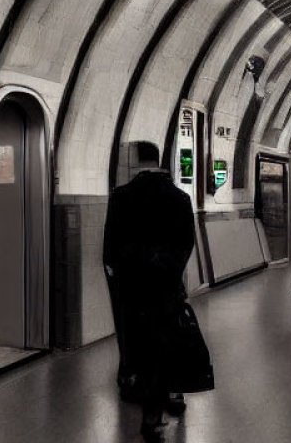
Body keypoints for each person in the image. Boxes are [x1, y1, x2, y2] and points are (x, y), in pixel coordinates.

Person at [103, 143, 198, 441]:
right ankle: (165, 401)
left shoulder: (120, 197)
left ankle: (139, 390)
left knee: (138, 342)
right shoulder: (180, 198)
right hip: (166, 286)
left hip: (132, 288)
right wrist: (169, 269)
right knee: (167, 342)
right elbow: (186, 243)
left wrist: (123, 276)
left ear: (134, 161)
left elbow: (109, 250)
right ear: (159, 161)